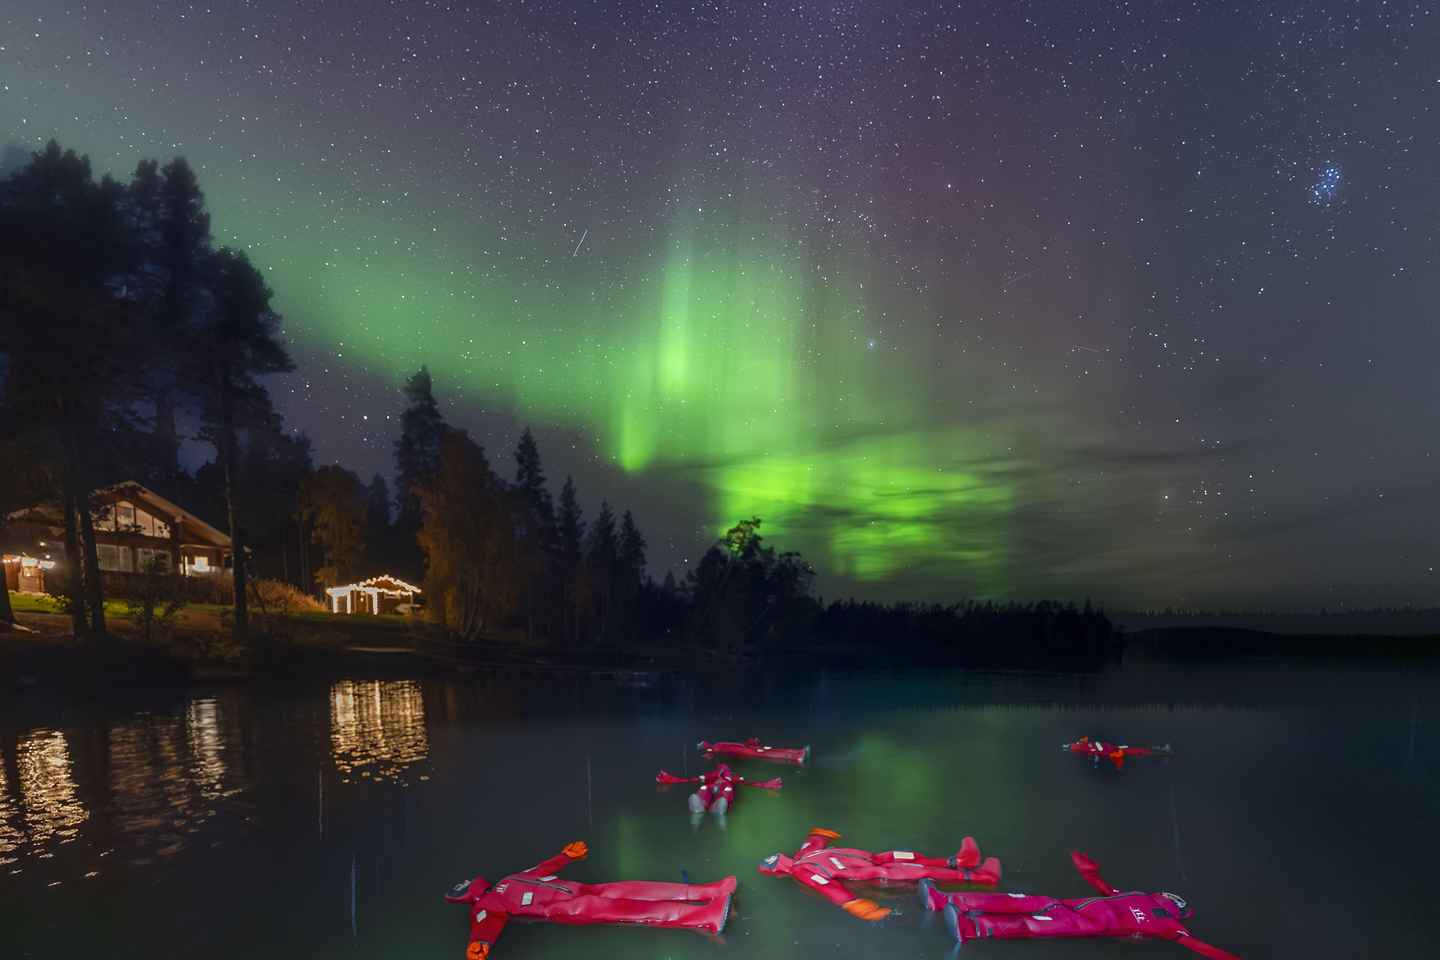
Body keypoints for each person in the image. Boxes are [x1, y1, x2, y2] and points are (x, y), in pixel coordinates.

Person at [444, 840, 734, 959]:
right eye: (463, 886)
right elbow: (485, 924)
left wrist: (565, 856)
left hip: (581, 889)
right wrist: (479, 944)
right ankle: (704, 917)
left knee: (634, 889)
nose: (467, 883)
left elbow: (541, 870)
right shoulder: (485, 906)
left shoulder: (508, 879)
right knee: (629, 909)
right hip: (564, 908)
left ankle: (706, 892)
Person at [918, 851, 1238, 958]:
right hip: (1067, 906)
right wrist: (1089, 872)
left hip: (1083, 924)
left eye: (1172, 898)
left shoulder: (1171, 927)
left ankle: (972, 927)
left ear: (1176, 907)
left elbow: (1201, 948)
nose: (1167, 895)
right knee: (1022, 902)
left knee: (1031, 924)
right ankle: (946, 899)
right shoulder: (1139, 895)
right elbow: (1105, 890)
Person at [759, 826, 1001, 921]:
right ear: (779, 871)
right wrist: (856, 905)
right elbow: (826, 886)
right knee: (921, 870)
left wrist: (822, 833)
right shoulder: (802, 870)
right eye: (778, 862)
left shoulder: (803, 855)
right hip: (875, 872)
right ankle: (980, 877)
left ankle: (959, 861)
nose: (782, 858)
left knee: (910, 856)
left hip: (876, 858)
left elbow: (815, 840)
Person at [655, 762, 782, 814]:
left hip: (723, 791)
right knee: (705, 788)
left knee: (724, 791)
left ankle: (715, 807)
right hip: (713, 788)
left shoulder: (731, 777)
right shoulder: (715, 775)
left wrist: (767, 784)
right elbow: (694, 779)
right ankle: (702, 804)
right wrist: (671, 779)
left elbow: (749, 783)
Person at [1063, 735, 1172, 770]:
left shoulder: (1089, 747)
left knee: (1140, 751)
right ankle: (1161, 752)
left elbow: (1089, 744)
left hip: (1118, 750)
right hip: (1118, 751)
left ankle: (1161, 751)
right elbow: (1096, 752)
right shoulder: (1091, 749)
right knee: (1140, 752)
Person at [698, 736, 810, 764]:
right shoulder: (716, 747)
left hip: (747, 749)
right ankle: (797, 756)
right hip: (747, 750)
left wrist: (750, 743)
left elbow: (733, 746)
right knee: (771, 753)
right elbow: (712, 753)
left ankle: (798, 752)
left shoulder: (717, 746)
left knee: (772, 751)